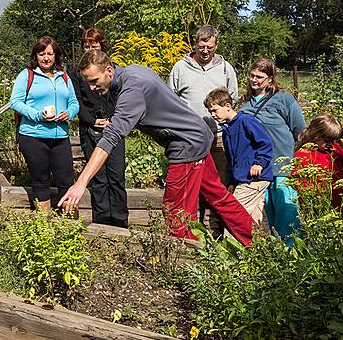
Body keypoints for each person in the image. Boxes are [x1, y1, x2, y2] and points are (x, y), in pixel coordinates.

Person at [60, 50, 254, 245]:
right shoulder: (133, 71)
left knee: (175, 213)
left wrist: (81, 183)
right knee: (218, 197)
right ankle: (259, 243)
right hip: (197, 135)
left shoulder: (131, 90)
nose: (92, 88)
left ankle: (188, 264)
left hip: (187, 144)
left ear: (109, 70)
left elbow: (111, 138)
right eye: (88, 83)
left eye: (94, 81)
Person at [169, 25, 239, 231]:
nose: (205, 51)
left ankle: (215, 229)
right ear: (195, 45)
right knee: (190, 184)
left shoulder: (226, 69)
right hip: (189, 138)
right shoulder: (180, 68)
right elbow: (171, 99)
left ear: (216, 45)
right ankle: (190, 228)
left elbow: (232, 98)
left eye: (210, 46)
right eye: (201, 46)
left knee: (217, 184)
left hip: (217, 136)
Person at [239, 58, 306, 244]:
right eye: (252, 75)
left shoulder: (283, 98)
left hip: (284, 165)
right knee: (270, 214)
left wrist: (299, 160)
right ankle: (277, 252)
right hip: (260, 169)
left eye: (259, 77)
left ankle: (293, 252)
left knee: (288, 212)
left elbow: (300, 130)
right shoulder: (246, 103)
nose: (254, 80)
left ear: (270, 79)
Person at [10, 36, 79, 213]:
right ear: (36, 56)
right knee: (40, 180)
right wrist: (37, 115)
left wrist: (69, 113)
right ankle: (45, 225)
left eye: (50, 54)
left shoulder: (63, 76)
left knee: (66, 180)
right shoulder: (27, 75)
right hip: (34, 136)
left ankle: (69, 225)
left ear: (56, 55)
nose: (46, 58)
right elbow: (15, 102)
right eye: (42, 54)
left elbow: (74, 102)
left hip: (60, 136)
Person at [71, 28, 128, 227]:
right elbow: (77, 101)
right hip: (90, 128)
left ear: (101, 46)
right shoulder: (78, 74)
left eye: (93, 45)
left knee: (117, 177)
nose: (89, 49)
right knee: (98, 180)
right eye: (86, 45)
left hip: (114, 127)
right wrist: (92, 121)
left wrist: (113, 119)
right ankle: (102, 223)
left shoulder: (112, 71)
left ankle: (120, 222)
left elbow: (121, 98)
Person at [204, 88, 274, 227]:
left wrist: (259, 163)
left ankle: (229, 247)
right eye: (210, 111)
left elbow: (265, 143)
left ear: (228, 106)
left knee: (235, 215)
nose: (213, 115)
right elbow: (232, 160)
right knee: (253, 218)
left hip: (254, 178)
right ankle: (257, 246)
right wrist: (231, 181)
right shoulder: (227, 130)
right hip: (242, 179)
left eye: (215, 110)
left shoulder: (246, 121)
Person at [292, 114, 343, 214]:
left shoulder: (334, 149)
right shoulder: (303, 154)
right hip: (316, 206)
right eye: (327, 140)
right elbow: (298, 182)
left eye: (334, 140)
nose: (331, 144)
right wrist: (312, 197)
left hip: (337, 203)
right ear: (316, 136)